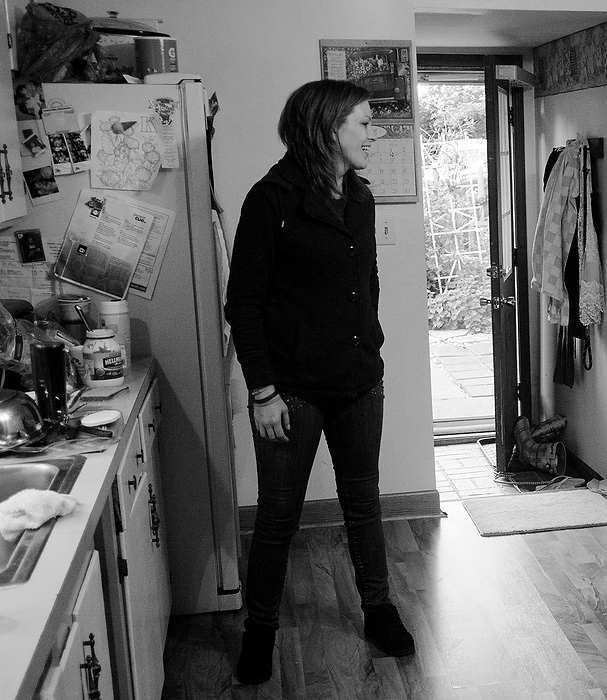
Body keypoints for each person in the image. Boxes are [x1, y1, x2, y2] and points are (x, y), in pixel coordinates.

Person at [224, 79, 411, 686]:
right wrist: (263, 391)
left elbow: (362, 284)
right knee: (278, 517)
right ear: (327, 128)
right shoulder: (270, 199)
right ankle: (260, 632)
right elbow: (244, 305)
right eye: (363, 123)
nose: (372, 134)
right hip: (292, 391)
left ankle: (378, 609)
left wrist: (372, 343)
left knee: (364, 502)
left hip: (358, 380)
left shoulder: (358, 196)